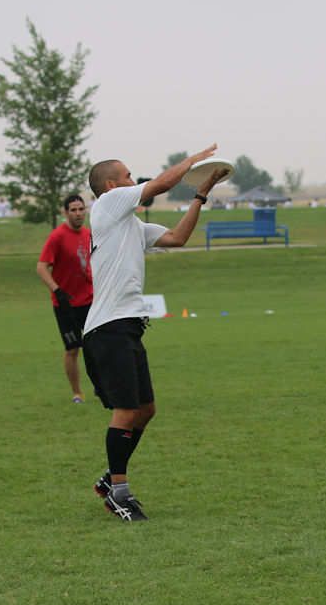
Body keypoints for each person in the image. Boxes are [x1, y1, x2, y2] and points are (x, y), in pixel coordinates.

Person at [82, 145, 224, 522]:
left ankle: (111, 476)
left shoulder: (129, 225)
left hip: (127, 326)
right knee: (127, 410)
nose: (134, 180)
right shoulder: (108, 204)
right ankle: (119, 493)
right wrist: (193, 162)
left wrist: (200, 193)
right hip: (108, 326)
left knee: (146, 409)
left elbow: (178, 238)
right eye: (128, 175)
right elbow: (160, 183)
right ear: (111, 185)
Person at [36, 194, 93, 403]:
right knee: (72, 349)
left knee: (97, 345)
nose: (78, 214)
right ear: (65, 212)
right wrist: (57, 291)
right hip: (65, 304)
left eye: (81, 209)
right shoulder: (57, 236)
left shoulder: (88, 234)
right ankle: (77, 393)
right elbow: (41, 268)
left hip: (89, 300)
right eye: (74, 210)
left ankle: (100, 386)